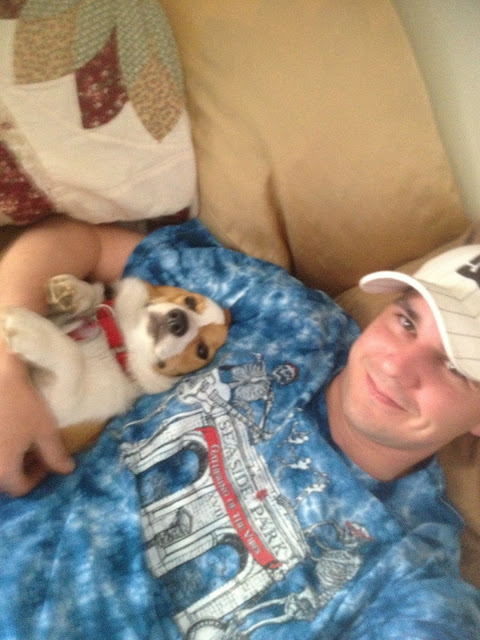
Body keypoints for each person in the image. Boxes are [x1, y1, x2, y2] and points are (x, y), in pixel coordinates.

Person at [0, 214, 479, 639]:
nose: (396, 365)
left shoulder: (408, 569)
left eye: (455, 368)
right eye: (406, 322)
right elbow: (83, 243)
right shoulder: (292, 320)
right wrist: (6, 366)